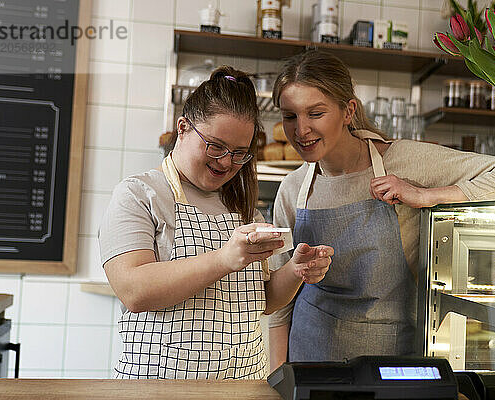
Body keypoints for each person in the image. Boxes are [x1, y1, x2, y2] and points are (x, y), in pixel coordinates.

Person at [267, 51, 495, 369]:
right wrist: (276, 378)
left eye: (316, 113)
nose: (301, 130)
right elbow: (279, 307)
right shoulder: (292, 189)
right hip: (308, 361)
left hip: (390, 365)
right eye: (290, 116)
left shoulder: (404, 161)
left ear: (348, 110)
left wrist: (427, 195)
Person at [99, 66, 333, 380]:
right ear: (183, 128)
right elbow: (133, 289)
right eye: (215, 145)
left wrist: (295, 271)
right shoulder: (140, 194)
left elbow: (262, 300)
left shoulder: (243, 208)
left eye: (239, 153)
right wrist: (224, 259)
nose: (225, 162)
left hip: (241, 387)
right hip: (157, 389)